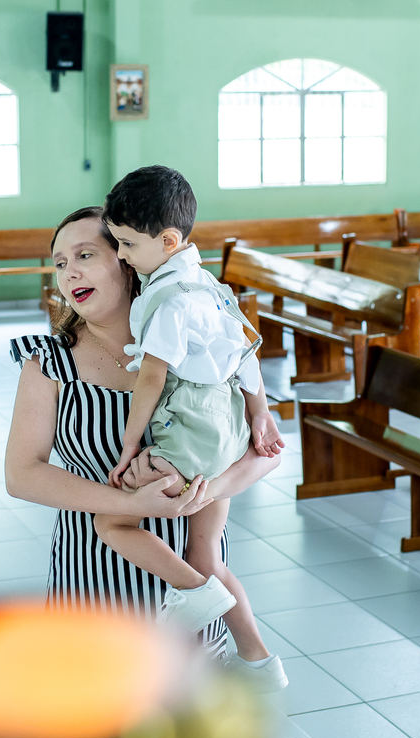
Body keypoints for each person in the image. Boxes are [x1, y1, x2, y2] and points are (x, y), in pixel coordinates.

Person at [93, 165, 286, 691]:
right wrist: (260, 411)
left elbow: (152, 377)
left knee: (111, 522)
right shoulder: (209, 285)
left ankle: (192, 595)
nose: (122, 256)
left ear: (168, 241)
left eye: (128, 244)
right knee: (207, 556)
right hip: (227, 430)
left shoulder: (170, 302)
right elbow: (246, 351)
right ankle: (259, 660)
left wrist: (130, 444)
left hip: (192, 435)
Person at [5, 207, 228, 658]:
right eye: (60, 263)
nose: (69, 273)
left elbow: (262, 452)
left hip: (192, 578)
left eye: (84, 255)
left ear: (128, 259)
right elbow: (22, 474)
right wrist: (130, 505)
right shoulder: (49, 362)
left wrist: (198, 494)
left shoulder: (194, 340)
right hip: (92, 578)